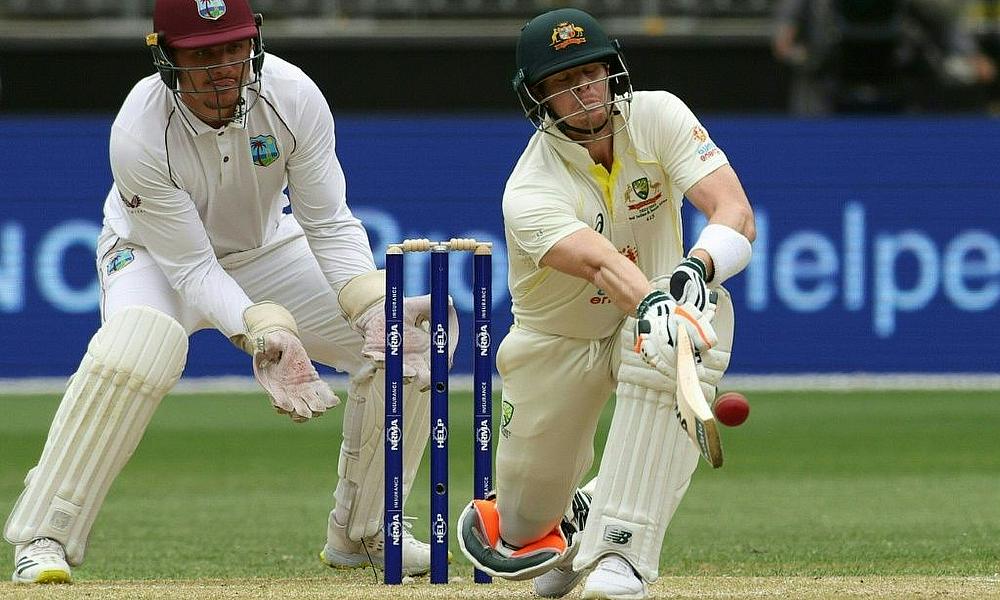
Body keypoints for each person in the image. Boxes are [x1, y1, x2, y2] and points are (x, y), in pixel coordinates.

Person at [3, 0, 450, 584]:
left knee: (407, 338)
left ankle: (366, 531)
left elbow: (329, 221)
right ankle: (44, 535)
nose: (222, 71)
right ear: (167, 58)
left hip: (265, 248)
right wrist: (263, 326)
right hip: (151, 256)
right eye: (202, 55)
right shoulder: (139, 131)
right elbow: (192, 268)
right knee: (138, 345)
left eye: (234, 50)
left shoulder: (292, 94)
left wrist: (370, 306)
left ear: (254, 44)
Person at [456, 8, 755, 600]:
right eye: (563, 82)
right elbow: (601, 265)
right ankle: (583, 510)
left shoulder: (658, 114)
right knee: (524, 527)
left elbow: (735, 213)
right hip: (556, 341)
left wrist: (694, 272)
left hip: (656, 310)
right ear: (538, 98)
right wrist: (656, 301)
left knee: (692, 326)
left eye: (590, 73)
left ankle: (622, 554)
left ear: (611, 71)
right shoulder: (529, 188)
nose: (584, 91)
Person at [772, 0, 996, 114]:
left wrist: (970, 54)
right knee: (809, 76)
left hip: (898, 78)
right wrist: (790, 40)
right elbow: (786, 32)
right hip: (829, 81)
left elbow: (943, 20)